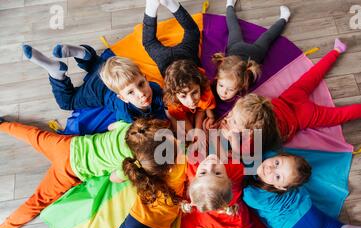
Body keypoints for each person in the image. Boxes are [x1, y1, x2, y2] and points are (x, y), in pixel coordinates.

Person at [0, 117, 164, 228]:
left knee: (34, 136)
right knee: (39, 200)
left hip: (68, 145)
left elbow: (111, 126)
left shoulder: (129, 128)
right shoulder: (129, 163)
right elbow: (115, 178)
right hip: (70, 171)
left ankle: (3, 125)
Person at [221, 39, 361, 153]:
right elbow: (244, 112)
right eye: (232, 116)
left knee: (339, 115)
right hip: (288, 99)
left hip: (301, 116)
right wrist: (232, 124)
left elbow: (241, 154)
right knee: (311, 76)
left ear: (251, 131)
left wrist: (231, 138)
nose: (229, 118)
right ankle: (336, 50)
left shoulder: (255, 139)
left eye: (233, 119)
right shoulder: (256, 110)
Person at [92, 119, 186, 228]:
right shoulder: (182, 166)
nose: (178, 142)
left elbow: (114, 178)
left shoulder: (139, 165)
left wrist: (119, 127)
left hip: (134, 221)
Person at [22, 44, 167, 122]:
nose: (141, 94)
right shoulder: (127, 114)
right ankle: (56, 72)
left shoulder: (154, 87)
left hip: (107, 69)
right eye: (131, 93)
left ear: (145, 77)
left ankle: (83, 53)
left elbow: (162, 98)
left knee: (98, 64)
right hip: (98, 89)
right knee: (67, 103)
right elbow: (121, 126)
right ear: (122, 98)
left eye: (141, 84)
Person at [143, 0, 216, 132]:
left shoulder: (204, 88)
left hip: (184, 56)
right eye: (183, 96)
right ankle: (158, 6)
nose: (191, 101)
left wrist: (204, 123)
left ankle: (163, 5)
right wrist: (192, 133)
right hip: (168, 58)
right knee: (192, 30)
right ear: (175, 94)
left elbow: (207, 107)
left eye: (194, 93)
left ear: (200, 86)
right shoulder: (172, 100)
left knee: (191, 31)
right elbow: (180, 119)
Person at [212, 0, 290, 102]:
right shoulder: (221, 73)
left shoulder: (247, 82)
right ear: (217, 78)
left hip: (253, 52)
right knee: (233, 28)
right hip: (236, 49)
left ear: (240, 87)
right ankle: (229, 5)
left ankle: (284, 18)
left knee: (267, 37)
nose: (223, 92)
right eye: (221, 85)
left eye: (230, 89)